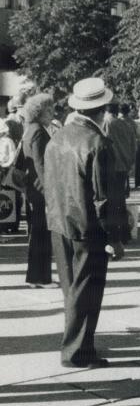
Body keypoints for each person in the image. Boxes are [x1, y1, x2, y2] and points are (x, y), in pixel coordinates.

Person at [44, 76, 129, 368]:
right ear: (103, 108)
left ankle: (77, 344)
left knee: (72, 288)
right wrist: (115, 237)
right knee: (88, 290)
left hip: (60, 220)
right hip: (87, 226)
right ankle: (78, 351)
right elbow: (104, 198)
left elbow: (50, 181)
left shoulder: (58, 136)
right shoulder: (97, 143)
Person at [21, 92, 56, 287]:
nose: (52, 112)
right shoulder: (39, 132)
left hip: (31, 187)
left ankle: (36, 276)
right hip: (40, 188)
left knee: (37, 233)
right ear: (38, 111)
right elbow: (41, 164)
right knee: (42, 233)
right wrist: (50, 191)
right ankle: (41, 277)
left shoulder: (30, 129)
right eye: (48, 109)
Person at [104, 101, 136, 200]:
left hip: (111, 162)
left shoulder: (106, 122)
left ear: (107, 111)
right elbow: (133, 143)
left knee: (111, 193)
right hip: (124, 161)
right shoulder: (126, 124)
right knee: (120, 191)